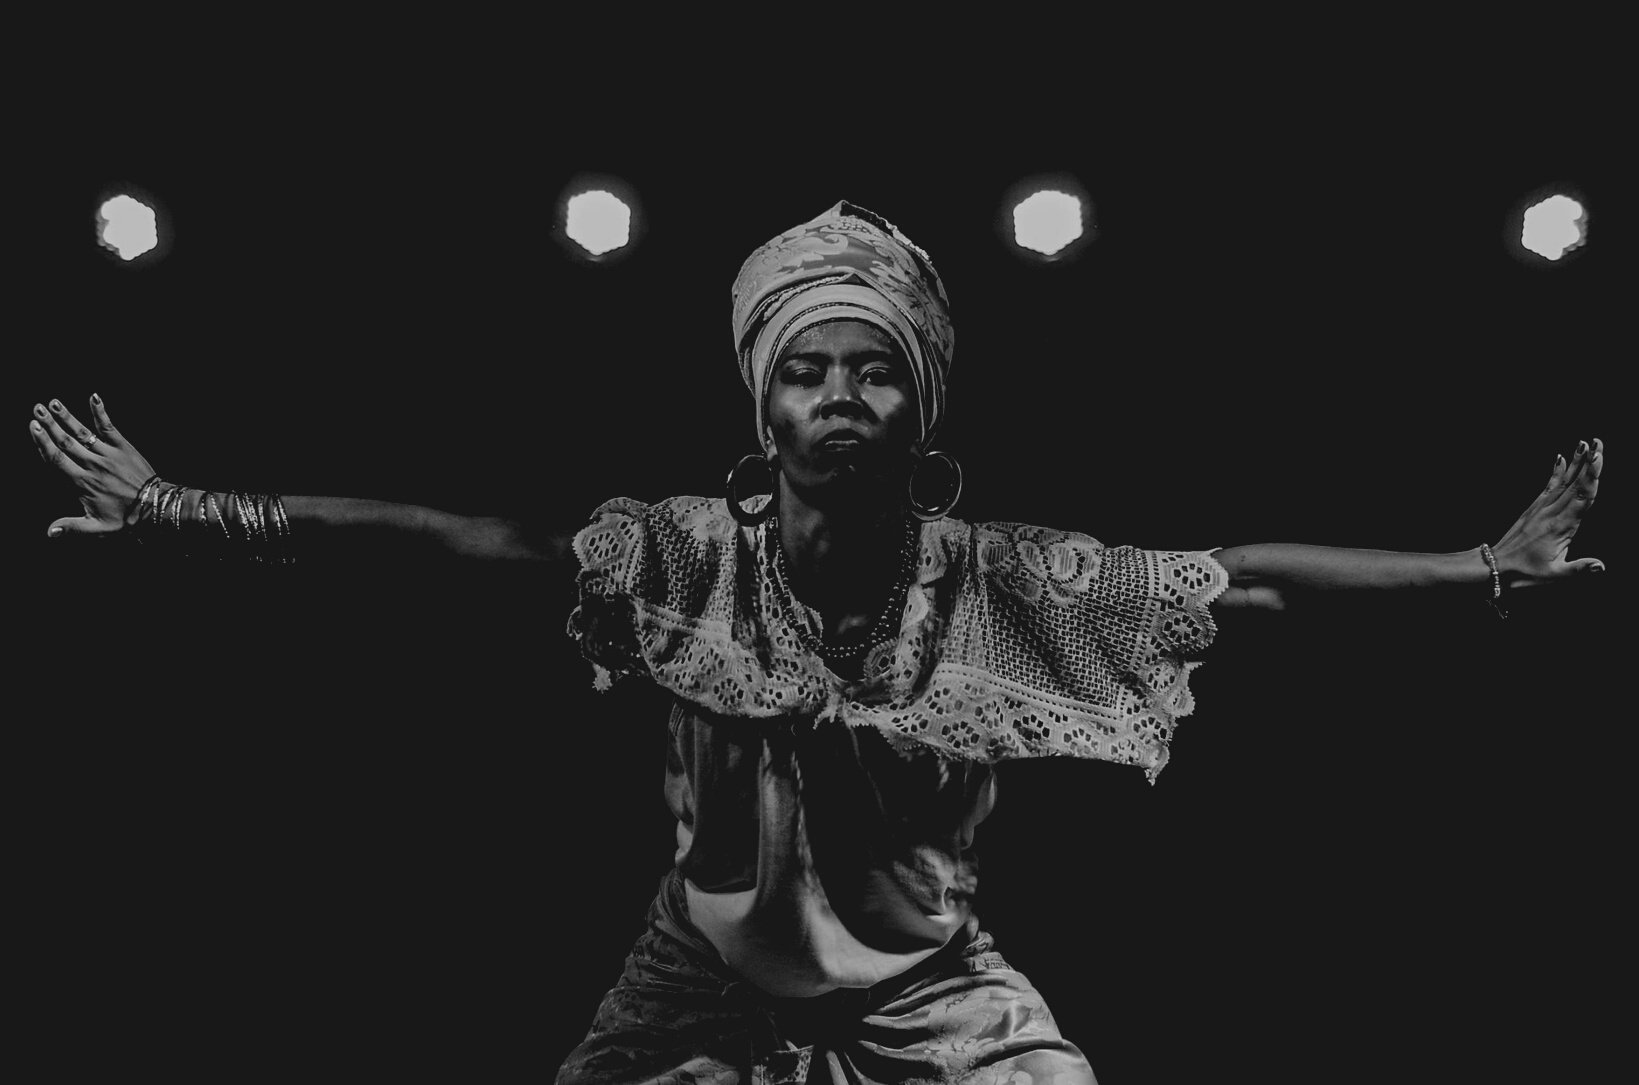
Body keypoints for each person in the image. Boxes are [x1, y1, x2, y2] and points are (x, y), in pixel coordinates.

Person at [29, 200, 1607, 1084]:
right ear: (763, 405)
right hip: (698, 980)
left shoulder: (1004, 578)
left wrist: (1478, 567)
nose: (839, 397)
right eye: (808, 373)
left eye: (874, 372)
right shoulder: (679, 560)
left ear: (920, 405)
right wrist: (181, 507)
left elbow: (1245, 585)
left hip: (933, 989)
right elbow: (451, 553)